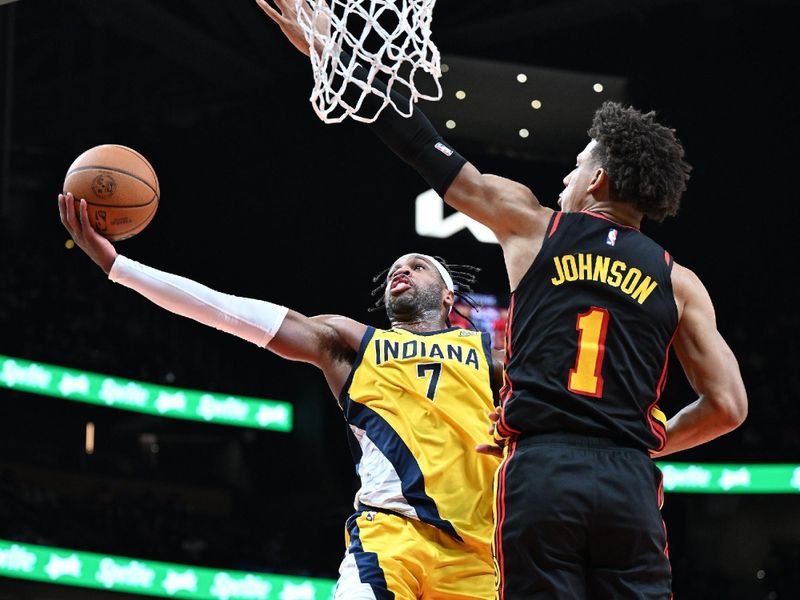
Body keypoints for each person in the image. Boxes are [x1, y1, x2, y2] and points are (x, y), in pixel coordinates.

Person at [257, 2, 749, 598]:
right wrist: (650, 440)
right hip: (628, 479)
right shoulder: (680, 282)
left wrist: (335, 54)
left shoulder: (533, 225)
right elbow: (727, 407)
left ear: (596, 181)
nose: (564, 179)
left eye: (574, 167)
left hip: (540, 470)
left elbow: (422, 146)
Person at [58, 192, 503, 599]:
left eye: (417, 265)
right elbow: (231, 312)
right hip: (389, 537)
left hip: (477, 553)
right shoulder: (352, 342)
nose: (400, 271)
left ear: (447, 296)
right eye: (395, 269)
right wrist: (119, 267)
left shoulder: (491, 356)